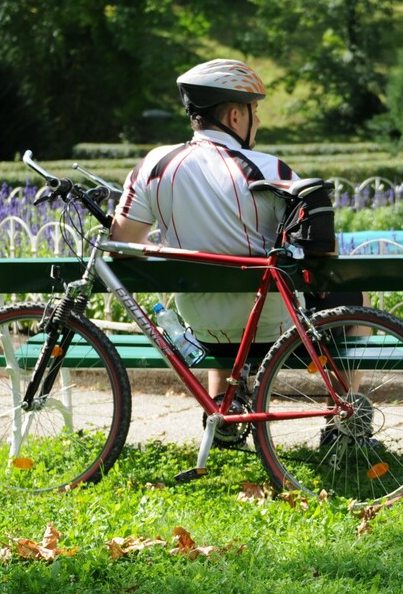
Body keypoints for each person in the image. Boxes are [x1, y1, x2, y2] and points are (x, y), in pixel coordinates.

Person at [111, 59, 361, 399]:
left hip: (201, 325)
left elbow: (122, 243)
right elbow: (320, 255)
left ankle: (225, 408)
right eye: (254, 111)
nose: (257, 121)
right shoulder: (270, 169)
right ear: (234, 117)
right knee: (355, 295)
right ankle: (347, 420)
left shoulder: (154, 165)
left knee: (221, 302)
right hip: (273, 325)